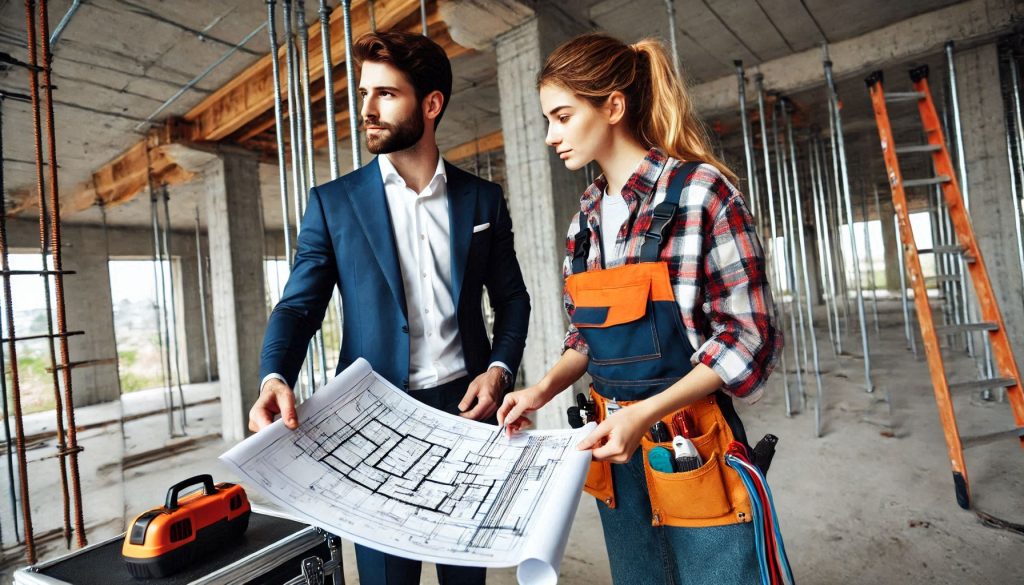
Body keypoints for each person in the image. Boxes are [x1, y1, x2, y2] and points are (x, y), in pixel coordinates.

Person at [497, 32, 782, 585]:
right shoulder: (584, 220)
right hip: (611, 443)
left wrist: (644, 414)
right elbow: (584, 337)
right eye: (547, 121)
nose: (552, 136)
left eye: (561, 116)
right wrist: (541, 390)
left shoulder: (701, 194)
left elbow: (749, 340)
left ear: (613, 106)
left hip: (690, 440)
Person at [249, 30, 531, 585]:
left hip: (466, 415)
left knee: (464, 575)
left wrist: (499, 371)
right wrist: (273, 375)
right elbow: (298, 307)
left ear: (431, 105)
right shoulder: (333, 203)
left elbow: (513, 299)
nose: (366, 110)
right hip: (372, 422)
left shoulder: (483, 200)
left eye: (385, 94)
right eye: (363, 93)